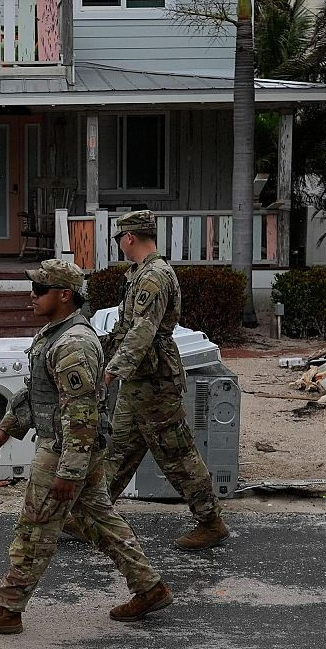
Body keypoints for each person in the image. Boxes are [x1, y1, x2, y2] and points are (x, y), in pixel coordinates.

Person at [0, 259, 172, 634]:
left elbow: (82, 413)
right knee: (100, 521)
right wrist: (7, 427)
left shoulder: (73, 344)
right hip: (73, 447)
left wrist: (68, 472)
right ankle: (149, 586)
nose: (32, 297)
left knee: (35, 528)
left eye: (40, 290)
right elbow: (40, 393)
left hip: (64, 449)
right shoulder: (55, 334)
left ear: (64, 295)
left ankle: (8, 608)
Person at [101, 210, 229, 551]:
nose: (119, 245)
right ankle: (93, 514)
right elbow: (126, 328)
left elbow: (142, 332)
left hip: (154, 381)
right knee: (120, 449)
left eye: (119, 239)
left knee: (177, 453)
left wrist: (113, 368)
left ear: (129, 238)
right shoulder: (140, 273)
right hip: (139, 381)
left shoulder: (154, 277)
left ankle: (210, 521)